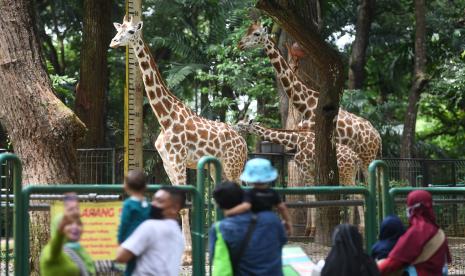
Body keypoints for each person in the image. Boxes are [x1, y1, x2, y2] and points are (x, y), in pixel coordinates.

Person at [209, 181, 287, 275]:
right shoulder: (272, 220)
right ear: (243, 198)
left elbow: (218, 260)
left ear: (218, 205)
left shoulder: (220, 229)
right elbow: (282, 241)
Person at [115, 186, 186, 276]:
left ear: (174, 208)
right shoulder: (178, 233)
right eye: (153, 200)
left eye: (159, 201)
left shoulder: (150, 227)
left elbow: (121, 256)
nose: (153, 204)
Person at [377, 190, 451, 276]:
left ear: (413, 209)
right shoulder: (438, 232)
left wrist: (372, 270)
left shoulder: (417, 231)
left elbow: (394, 262)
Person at [224, 158, 292, 235]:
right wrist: (288, 222)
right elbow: (282, 207)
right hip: (270, 221)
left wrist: (230, 212)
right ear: (268, 177)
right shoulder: (273, 193)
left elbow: (246, 206)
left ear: (250, 178)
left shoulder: (250, 193)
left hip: (256, 223)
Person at [40, 193, 95, 276]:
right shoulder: (53, 251)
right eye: (69, 224)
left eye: (78, 223)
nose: (75, 227)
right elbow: (54, 250)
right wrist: (60, 233)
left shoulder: (80, 250)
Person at [117, 169, 150, 276]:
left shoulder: (128, 205)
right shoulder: (149, 206)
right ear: (145, 187)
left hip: (131, 244)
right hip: (147, 244)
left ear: (126, 187)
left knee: (131, 269)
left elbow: (124, 224)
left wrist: (120, 240)